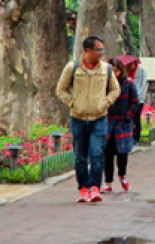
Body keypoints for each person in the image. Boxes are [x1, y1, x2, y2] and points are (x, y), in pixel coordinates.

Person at [56, 35, 120, 203]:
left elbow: (115, 89)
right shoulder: (73, 67)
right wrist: (72, 103)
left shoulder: (106, 69)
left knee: (97, 153)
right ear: (88, 51)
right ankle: (83, 187)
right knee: (80, 156)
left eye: (102, 50)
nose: (102, 53)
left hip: (99, 117)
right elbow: (60, 90)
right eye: (99, 50)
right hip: (78, 117)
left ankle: (94, 188)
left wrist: (105, 103)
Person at [102, 58, 139, 194]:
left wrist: (128, 115)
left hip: (123, 123)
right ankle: (107, 181)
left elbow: (134, 101)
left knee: (122, 153)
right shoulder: (104, 84)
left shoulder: (128, 84)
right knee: (108, 154)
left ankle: (122, 175)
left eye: (116, 71)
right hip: (109, 122)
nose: (114, 73)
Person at [126, 57, 147, 145]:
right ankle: (129, 137)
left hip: (139, 99)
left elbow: (144, 85)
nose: (130, 66)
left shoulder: (141, 71)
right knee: (128, 119)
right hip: (128, 99)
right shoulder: (126, 72)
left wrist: (140, 97)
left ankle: (136, 138)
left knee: (136, 118)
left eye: (132, 64)